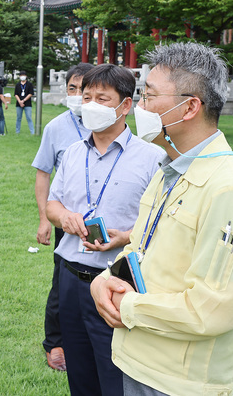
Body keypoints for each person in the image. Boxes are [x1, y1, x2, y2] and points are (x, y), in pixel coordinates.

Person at [90, 42, 233, 396]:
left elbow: (214, 309)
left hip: (179, 382)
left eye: (148, 95)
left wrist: (125, 305)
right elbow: (140, 249)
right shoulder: (168, 169)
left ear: (189, 107)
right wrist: (104, 279)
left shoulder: (232, 190)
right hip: (139, 361)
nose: (138, 106)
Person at [46, 64, 163, 396]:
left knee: (117, 376)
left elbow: (161, 223)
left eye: (102, 98)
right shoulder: (71, 153)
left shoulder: (152, 158)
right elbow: (52, 205)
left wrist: (125, 237)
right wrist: (66, 218)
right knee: (79, 374)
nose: (91, 105)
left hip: (117, 279)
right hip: (69, 277)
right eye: (86, 97)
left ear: (125, 105)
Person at [31, 62, 94, 371]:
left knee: (103, 278)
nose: (79, 95)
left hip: (103, 224)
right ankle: (56, 343)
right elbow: (43, 176)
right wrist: (45, 219)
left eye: (85, 89)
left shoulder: (112, 123)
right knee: (63, 283)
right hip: (65, 221)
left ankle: (96, 336)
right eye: (73, 89)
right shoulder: (56, 127)